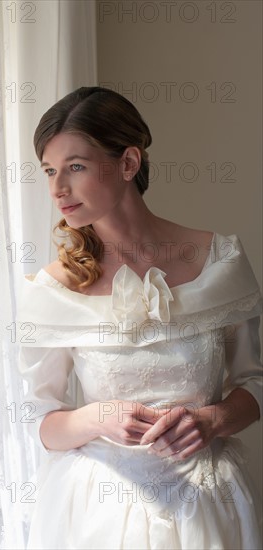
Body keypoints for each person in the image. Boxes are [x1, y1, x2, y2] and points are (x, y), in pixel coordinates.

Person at [16, 86, 263, 549]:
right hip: (96, 513)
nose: (57, 189)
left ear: (128, 163)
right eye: (50, 171)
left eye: (76, 167)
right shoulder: (51, 290)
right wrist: (97, 418)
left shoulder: (221, 262)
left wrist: (212, 419)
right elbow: (41, 422)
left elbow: (255, 386)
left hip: (207, 505)